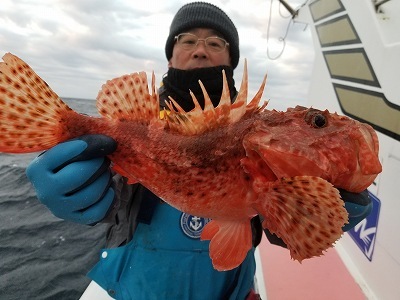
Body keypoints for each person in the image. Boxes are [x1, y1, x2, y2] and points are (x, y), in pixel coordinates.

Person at [25, 2, 372, 299]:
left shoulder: (258, 135)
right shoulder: (138, 126)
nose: (200, 49)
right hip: (136, 286)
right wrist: (82, 193)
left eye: (215, 42)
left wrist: (321, 213)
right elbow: (114, 201)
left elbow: (278, 233)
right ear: (171, 56)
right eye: (188, 40)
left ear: (231, 59)